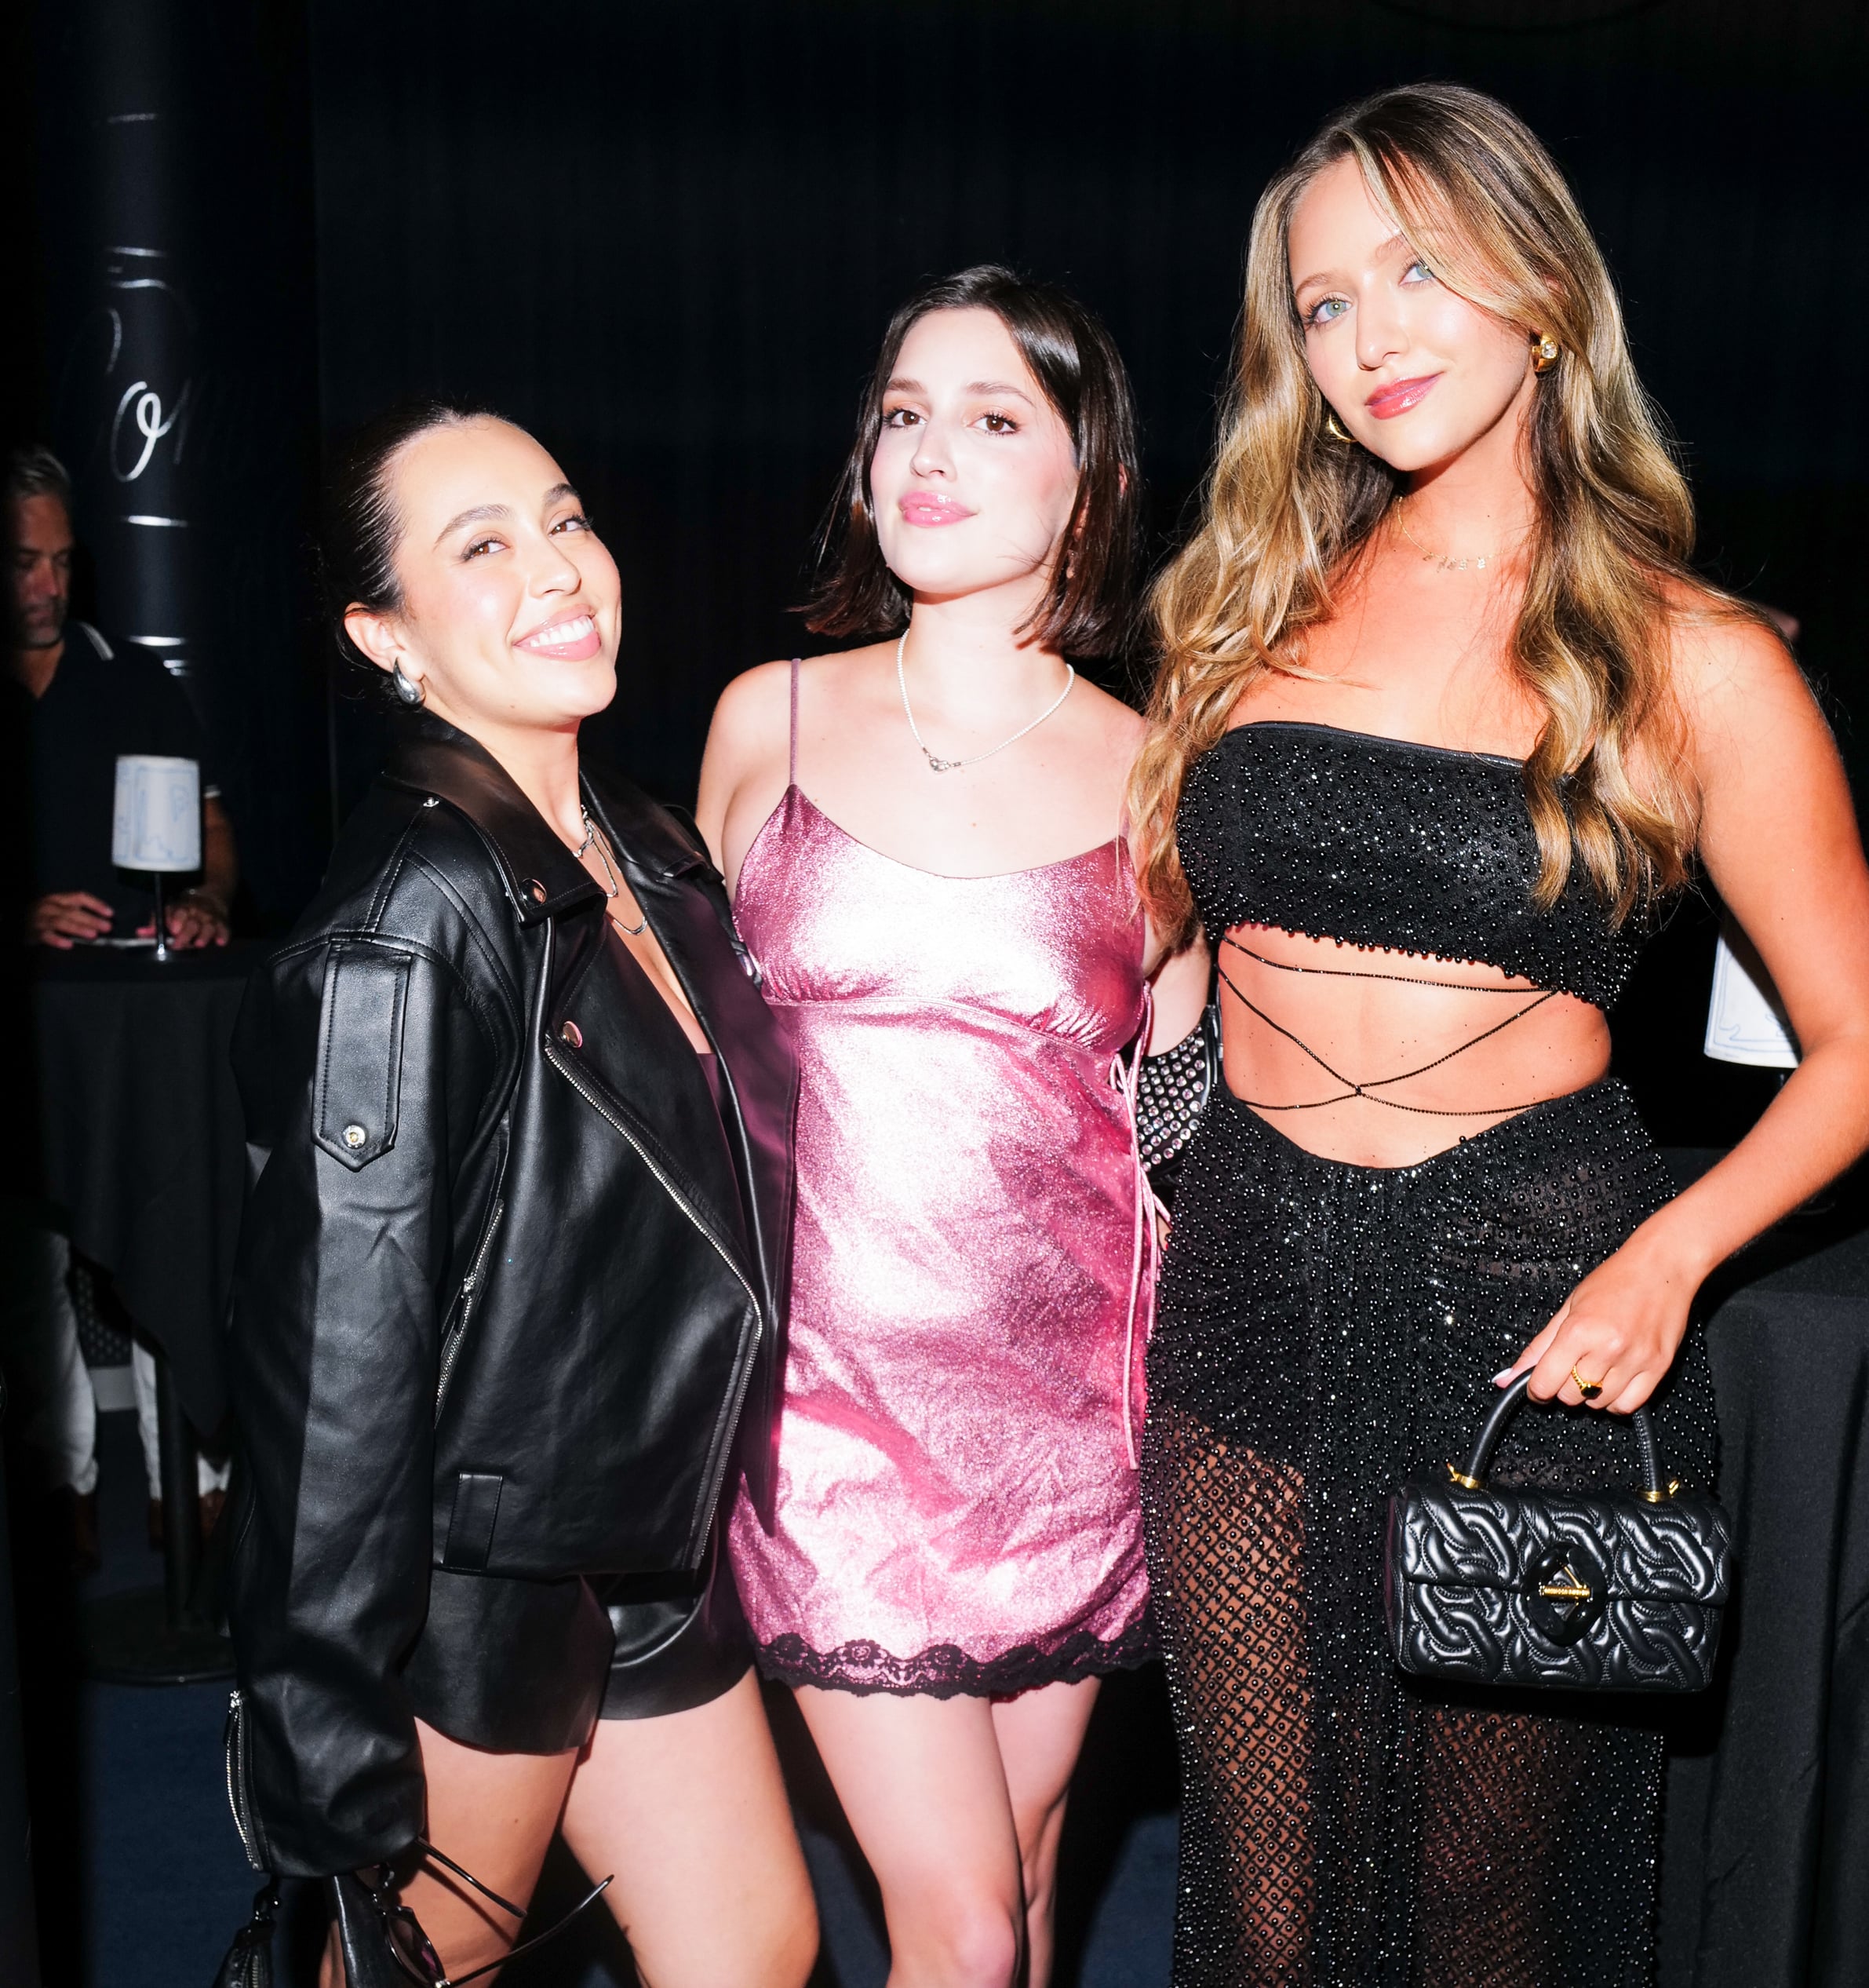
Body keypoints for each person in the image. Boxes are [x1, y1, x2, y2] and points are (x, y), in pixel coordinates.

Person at [1128, 83, 1869, 1988]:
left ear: (1541, 292)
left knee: (1488, 1929)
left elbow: (1861, 1041)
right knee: (1264, 1913)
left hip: (1531, 1317)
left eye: (1419, 273)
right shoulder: (1250, 603)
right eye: (1323, 305)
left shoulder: (1693, 655)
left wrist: (1671, 1257)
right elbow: (1172, 929)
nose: (1368, 338)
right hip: (1244, 1292)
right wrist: (1167, 1085)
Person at [224, 403, 817, 1987]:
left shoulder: (642, 844)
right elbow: (332, 1372)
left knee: (754, 1952)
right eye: (481, 546)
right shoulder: (408, 918)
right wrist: (325, 1733)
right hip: (472, 1585)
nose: (558, 569)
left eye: (563, 520)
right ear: (384, 634)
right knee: (415, 1971)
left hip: (641, 1536)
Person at [700, 266, 1208, 1988]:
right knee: (968, 1928)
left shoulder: (1166, 774)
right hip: (826, 1411)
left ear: (1094, 483)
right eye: (904, 413)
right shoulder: (767, 716)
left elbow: (1184, 1102)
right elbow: (690, 1066)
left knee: (1030, 1876)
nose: (929, 452)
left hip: (1068, 1418)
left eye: (993, 418)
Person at [2, 443, 239, 1563]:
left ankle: (188, 1483)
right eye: (21, 562)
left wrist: (206, 898)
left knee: (165, 1229)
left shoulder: (135, 680)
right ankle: (65, 1483)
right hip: (26, 1026)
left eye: (61, 560)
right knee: (28, 1259)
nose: (46, 585)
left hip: (136, 1024)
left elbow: (213, 833)